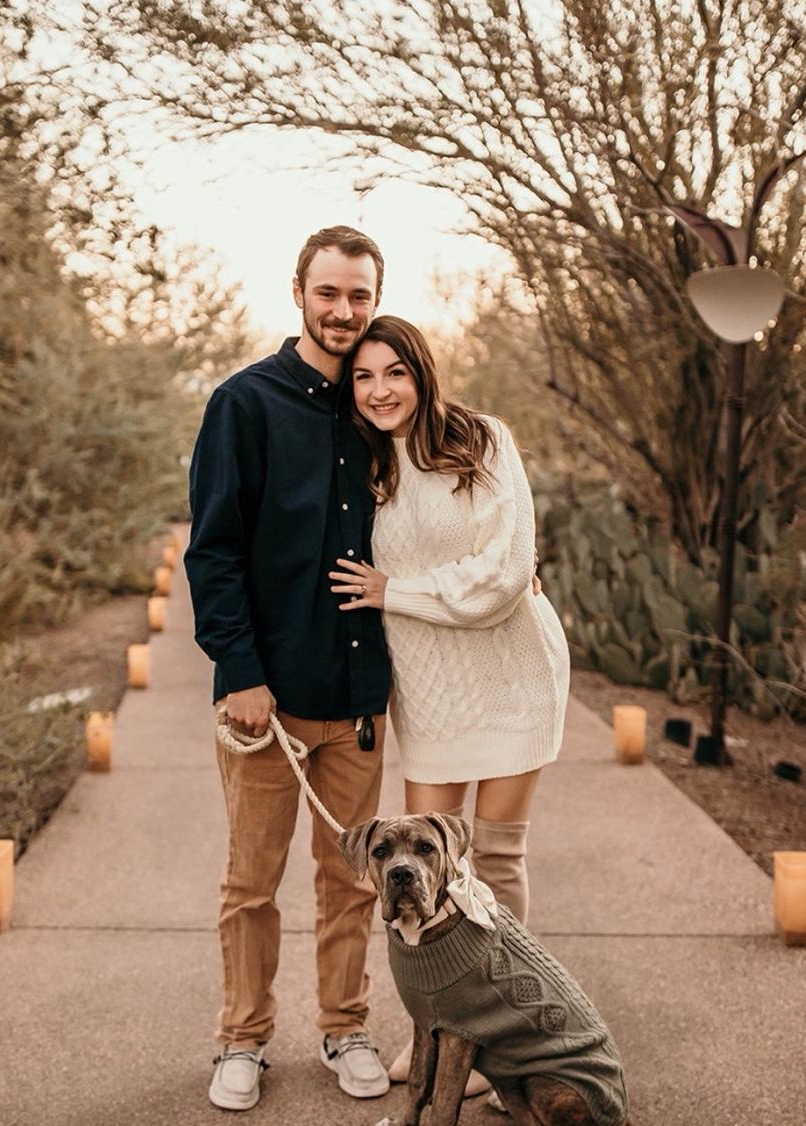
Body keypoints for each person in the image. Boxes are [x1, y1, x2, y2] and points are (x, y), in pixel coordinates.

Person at [329, 314, 572, 1087]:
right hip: (430, 691)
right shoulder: (363, 465)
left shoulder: (484, 441)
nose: (379, 391)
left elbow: (507, 572)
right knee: (423, 869)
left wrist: (396, 592)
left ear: (421, 372)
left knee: (495, 858)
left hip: (512, 675)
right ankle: (435, 1031)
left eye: (394, 372)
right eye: (363, 377)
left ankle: (497, 1040)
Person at [185, 226, 393, 1112]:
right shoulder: (244, 404)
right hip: (262, 702)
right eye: (329, 293)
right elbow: (213, 550)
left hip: (357, 701)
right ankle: (243, 1041)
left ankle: (347, 1029)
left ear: (375, 300)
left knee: (351, 880)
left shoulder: (384, 404)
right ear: (299, 293)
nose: (343, 311)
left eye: (359, 295)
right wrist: (239, 672)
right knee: (251, 886)